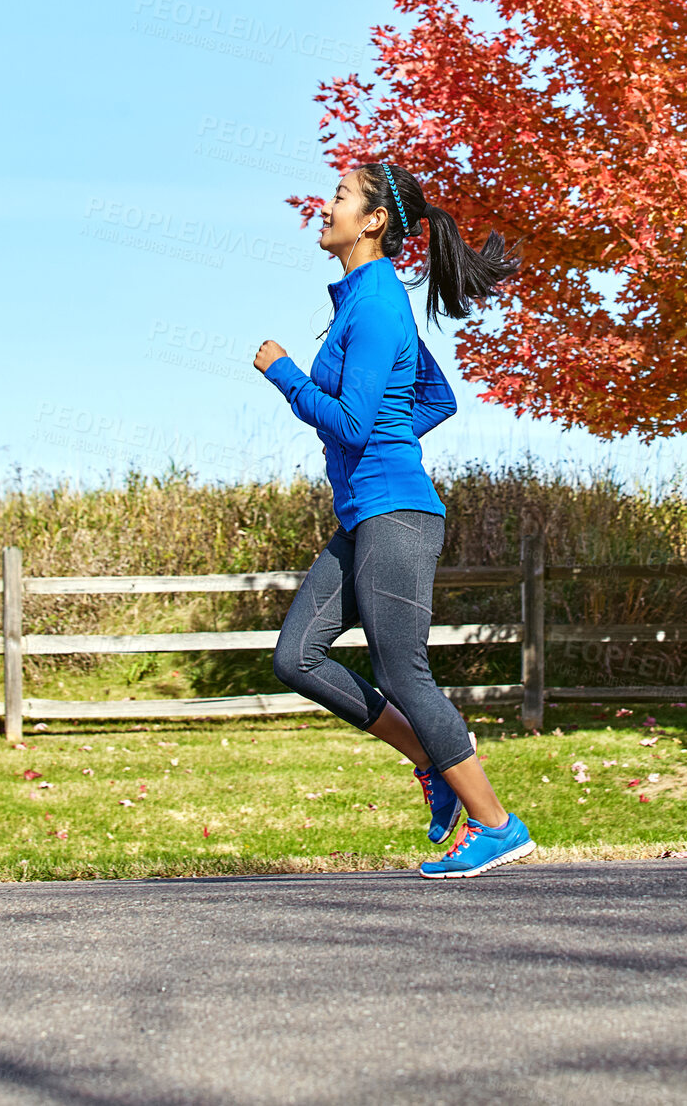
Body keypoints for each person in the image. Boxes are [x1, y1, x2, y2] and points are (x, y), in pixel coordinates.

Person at [253, 161, 535, 879]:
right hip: (365, 516)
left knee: (402, 671)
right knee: (296, 657)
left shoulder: (376, 302)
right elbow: (434, 399)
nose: (328, 205)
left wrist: (285, 373)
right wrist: (387, 431)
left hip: (396, 513)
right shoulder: (360, 302)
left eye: (342, 197)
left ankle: (497, 824)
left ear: (373, 221)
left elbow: (349, 421)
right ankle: (432, 763)